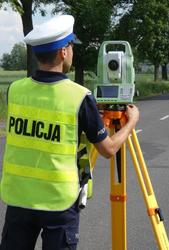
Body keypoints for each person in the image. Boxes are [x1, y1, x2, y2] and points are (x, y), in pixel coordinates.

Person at [0, 15, 139, 250]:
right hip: (58, 201)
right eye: (72, 46)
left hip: (19, 198)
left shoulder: (15, 90)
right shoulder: (79, 97)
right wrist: (131, 121)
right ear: (64, 52)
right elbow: (108, 150)